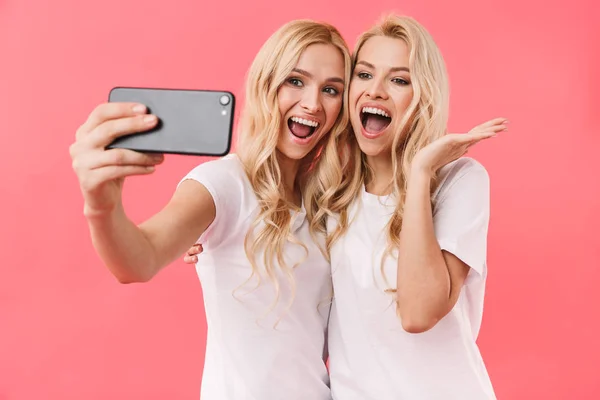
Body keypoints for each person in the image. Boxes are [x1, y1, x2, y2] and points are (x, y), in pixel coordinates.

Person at [186, 14, 504, 400]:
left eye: (399, 80)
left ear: (424, 95)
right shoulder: (332, 193)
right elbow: (272, 237)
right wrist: (207, 236)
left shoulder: (459, 180)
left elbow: (418, 313)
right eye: (365, 75)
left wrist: (419, 174)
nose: (376, 92)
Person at [69, 19, 352, 400]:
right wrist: (101, 205)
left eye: (331, 89)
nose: (313, 103)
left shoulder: (326, 206)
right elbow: (139, 259)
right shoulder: (223, 183)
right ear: (266, 83)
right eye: (295, 81)